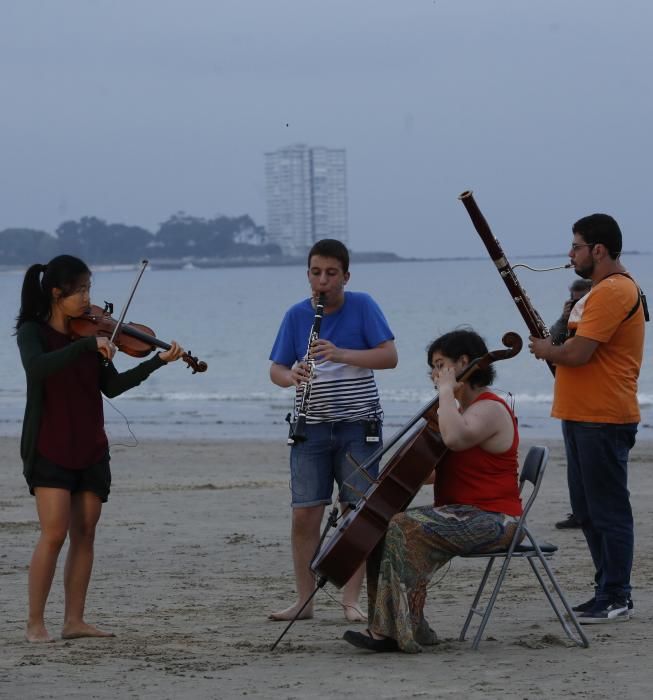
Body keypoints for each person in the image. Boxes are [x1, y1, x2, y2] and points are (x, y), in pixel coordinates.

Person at [16, 255, 184, 642]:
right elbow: (37, 368)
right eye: (82, 291)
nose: (89, 300)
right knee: (54, 533)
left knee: (85, 532)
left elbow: (113, 387)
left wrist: (157, 361)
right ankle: (34, 623)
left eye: (89, 289)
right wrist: (87, 345)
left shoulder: (95, 340)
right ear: (58, 294)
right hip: (50, 445)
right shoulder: (33, 332)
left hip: (90, 444)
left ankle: (74, 621)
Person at [343, 328, 522, 653]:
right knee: (383, 527)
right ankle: (409, 624)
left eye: (440, 365)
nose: (434, 375)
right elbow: (437, 471)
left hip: (496, 521)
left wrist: (444, 393)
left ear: (464, 363)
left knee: (404, 525)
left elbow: (454, 439)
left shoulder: (489, 408)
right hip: (464, 515)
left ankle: (389, 633)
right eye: (433, 368)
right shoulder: (460, 412)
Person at [269, 239, 397, 623]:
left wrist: (341, 353)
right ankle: (304, 601)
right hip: (310, 427)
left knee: (355, 512)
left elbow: (389, 356)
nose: (322, 281)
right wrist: (291, 375)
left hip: (358, 425)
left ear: (346, 275)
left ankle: (350, 601)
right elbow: (275, 369)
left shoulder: (363, 305)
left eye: (330, 273)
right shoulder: (296, 315)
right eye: (315, 273)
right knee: (304, 514)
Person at [529, 213, 646, 624]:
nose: (570, 253)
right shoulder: (596, 292)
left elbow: (578, 353)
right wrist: (551, 343)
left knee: (609, 509)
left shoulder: (615, 290)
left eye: (576, 246)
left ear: (598, 250)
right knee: (587, 509)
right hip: (581, 414)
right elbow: (572, 343)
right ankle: (605, 590)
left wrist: (547, 350)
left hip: (604, 416)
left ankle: (617, 594)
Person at [550, 278, 592, 530]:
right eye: (573, 299)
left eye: (581, 298)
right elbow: (553, 341)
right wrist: (564, 317)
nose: (577, 303)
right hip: (570, 401)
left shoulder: (596, 318)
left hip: (592, 401)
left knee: (593, 466)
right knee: (575, 467)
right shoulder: (570, 319)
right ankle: (580, 513)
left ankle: (592, 512)